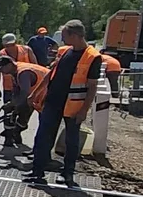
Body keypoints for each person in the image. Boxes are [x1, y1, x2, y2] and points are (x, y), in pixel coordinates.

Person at [26, 20, 102, 187]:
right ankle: (37, 172)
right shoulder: (64, 51)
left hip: (73, 106)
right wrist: (35, 93)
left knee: (71, 141)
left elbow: (92, 87)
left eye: (65, 36)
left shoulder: (92, 57)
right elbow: (49, 74)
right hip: (53, 102)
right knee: (43, 137)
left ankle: (67, 175)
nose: (62, 40)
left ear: (74, 35)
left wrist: (84, 110)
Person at [0, 55, 49, 148]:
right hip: (37, 97)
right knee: (17, 109)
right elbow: (17, 91)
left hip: (48, 96)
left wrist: (14, 105)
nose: (1, 72)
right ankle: (13, 134)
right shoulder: (15, 71)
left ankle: (40, 151)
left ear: (9, 65)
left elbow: (24, 93)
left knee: (45, 126)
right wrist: (12, 104)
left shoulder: (23, 73)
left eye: (1, 69)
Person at [0, 34, 37, 103]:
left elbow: (36, 67)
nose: (10, 47)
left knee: (25, 109)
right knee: (8, 109)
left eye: (12, 45)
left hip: (27, 86)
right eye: (7, 46)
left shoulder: (26, 50)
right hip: (9, 88)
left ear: (16, 42)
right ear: (3, 45)